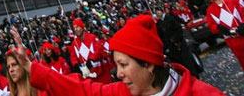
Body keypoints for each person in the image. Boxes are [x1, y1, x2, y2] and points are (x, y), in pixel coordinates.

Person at [12, 16, 226, 95]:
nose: (119, 73)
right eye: (118, 65)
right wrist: (31, 67)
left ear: (149, 64)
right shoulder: (121, 91)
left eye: (123, 65)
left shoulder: (202, 93)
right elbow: (80, 89)